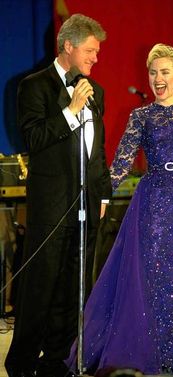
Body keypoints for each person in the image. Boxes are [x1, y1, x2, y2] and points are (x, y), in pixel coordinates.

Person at [66, 43, 173, 376]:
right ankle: (153, 348)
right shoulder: (140, 116)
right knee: (152, 274)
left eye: (165, 72)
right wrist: (102, 197)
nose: (158, 78)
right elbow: (122, 162)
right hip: (153, 200)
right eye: (153, 72)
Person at [5, 13, 112, 377]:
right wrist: (70, 112)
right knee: (40, 290)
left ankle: (55, 362)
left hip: (87, 206)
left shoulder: (96, 91)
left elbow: (96, 150)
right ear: (68, 46)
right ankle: (20, 364)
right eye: (90, 50)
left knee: (73, 290)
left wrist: (103, 196)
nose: (95, 58)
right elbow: (32, 139)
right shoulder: (33, 86)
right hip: (50, 208)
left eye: (97, 52)